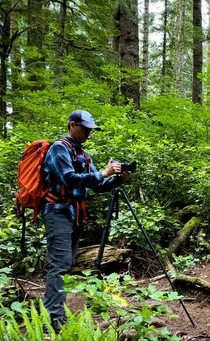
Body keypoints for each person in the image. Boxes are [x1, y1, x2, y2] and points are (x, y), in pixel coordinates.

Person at [41, 110, 131, 332]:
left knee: (67, 263)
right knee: (60, 264)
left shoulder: (82, 154)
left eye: (91, 129)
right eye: (85, 128)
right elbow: (70, 179)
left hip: (75, 213)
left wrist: (116, 179)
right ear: (72, 125)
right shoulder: (59, 148)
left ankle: (53, 312)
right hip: (58, 211)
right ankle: (54, 319)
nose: (89, 133)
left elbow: (97, 186)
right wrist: (103, 172)